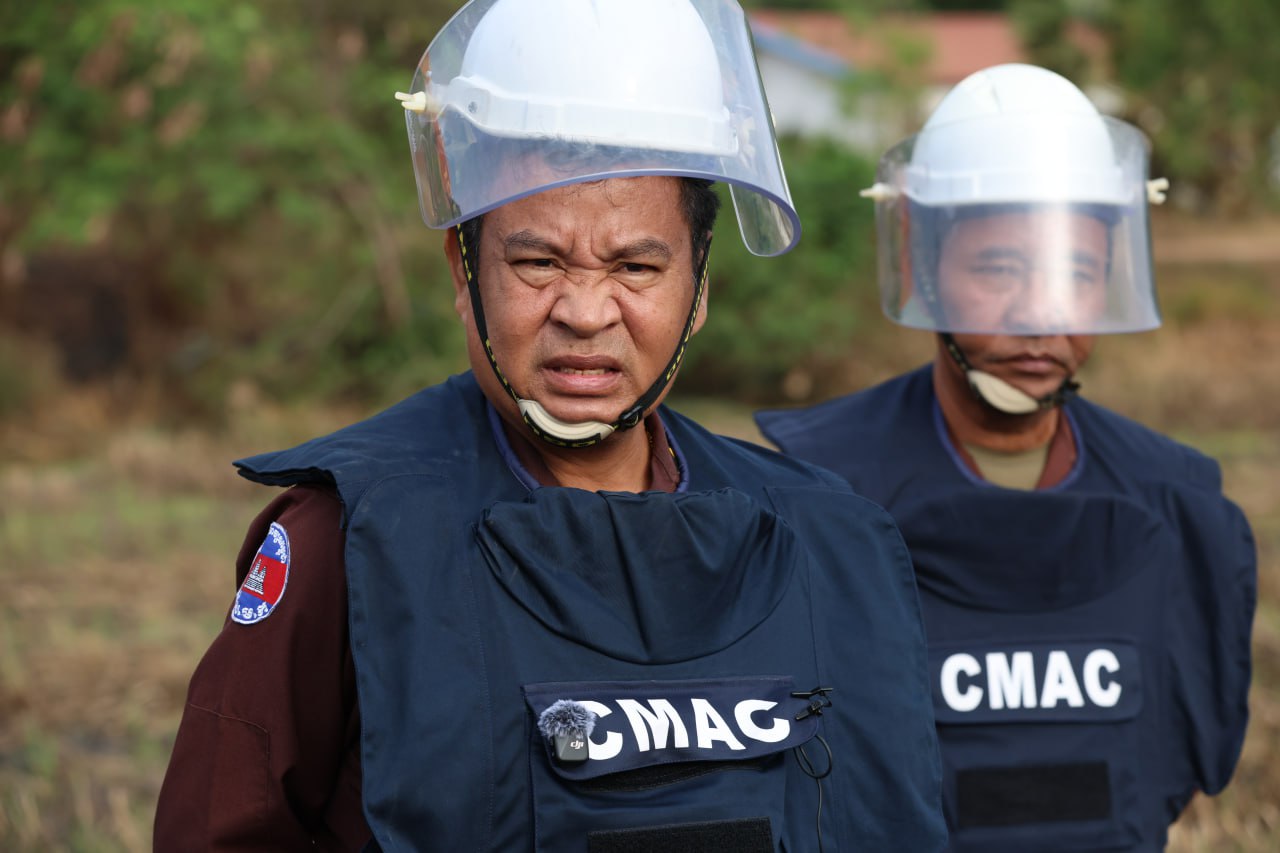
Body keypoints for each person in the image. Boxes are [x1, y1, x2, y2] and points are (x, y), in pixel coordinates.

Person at [154, 1, 948, 850]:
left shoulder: (828, 539)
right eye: (538, 261)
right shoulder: (348, 541)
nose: (584, 311)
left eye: (635, 266)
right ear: (464, 270)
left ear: (699, 287)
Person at [756, 63, 1257, 851]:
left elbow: (1184, 759)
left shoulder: (1178, 504)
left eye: (1075, 273)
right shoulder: (812, 494)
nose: (1039, 314)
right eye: (998, 269)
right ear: (923, 266)